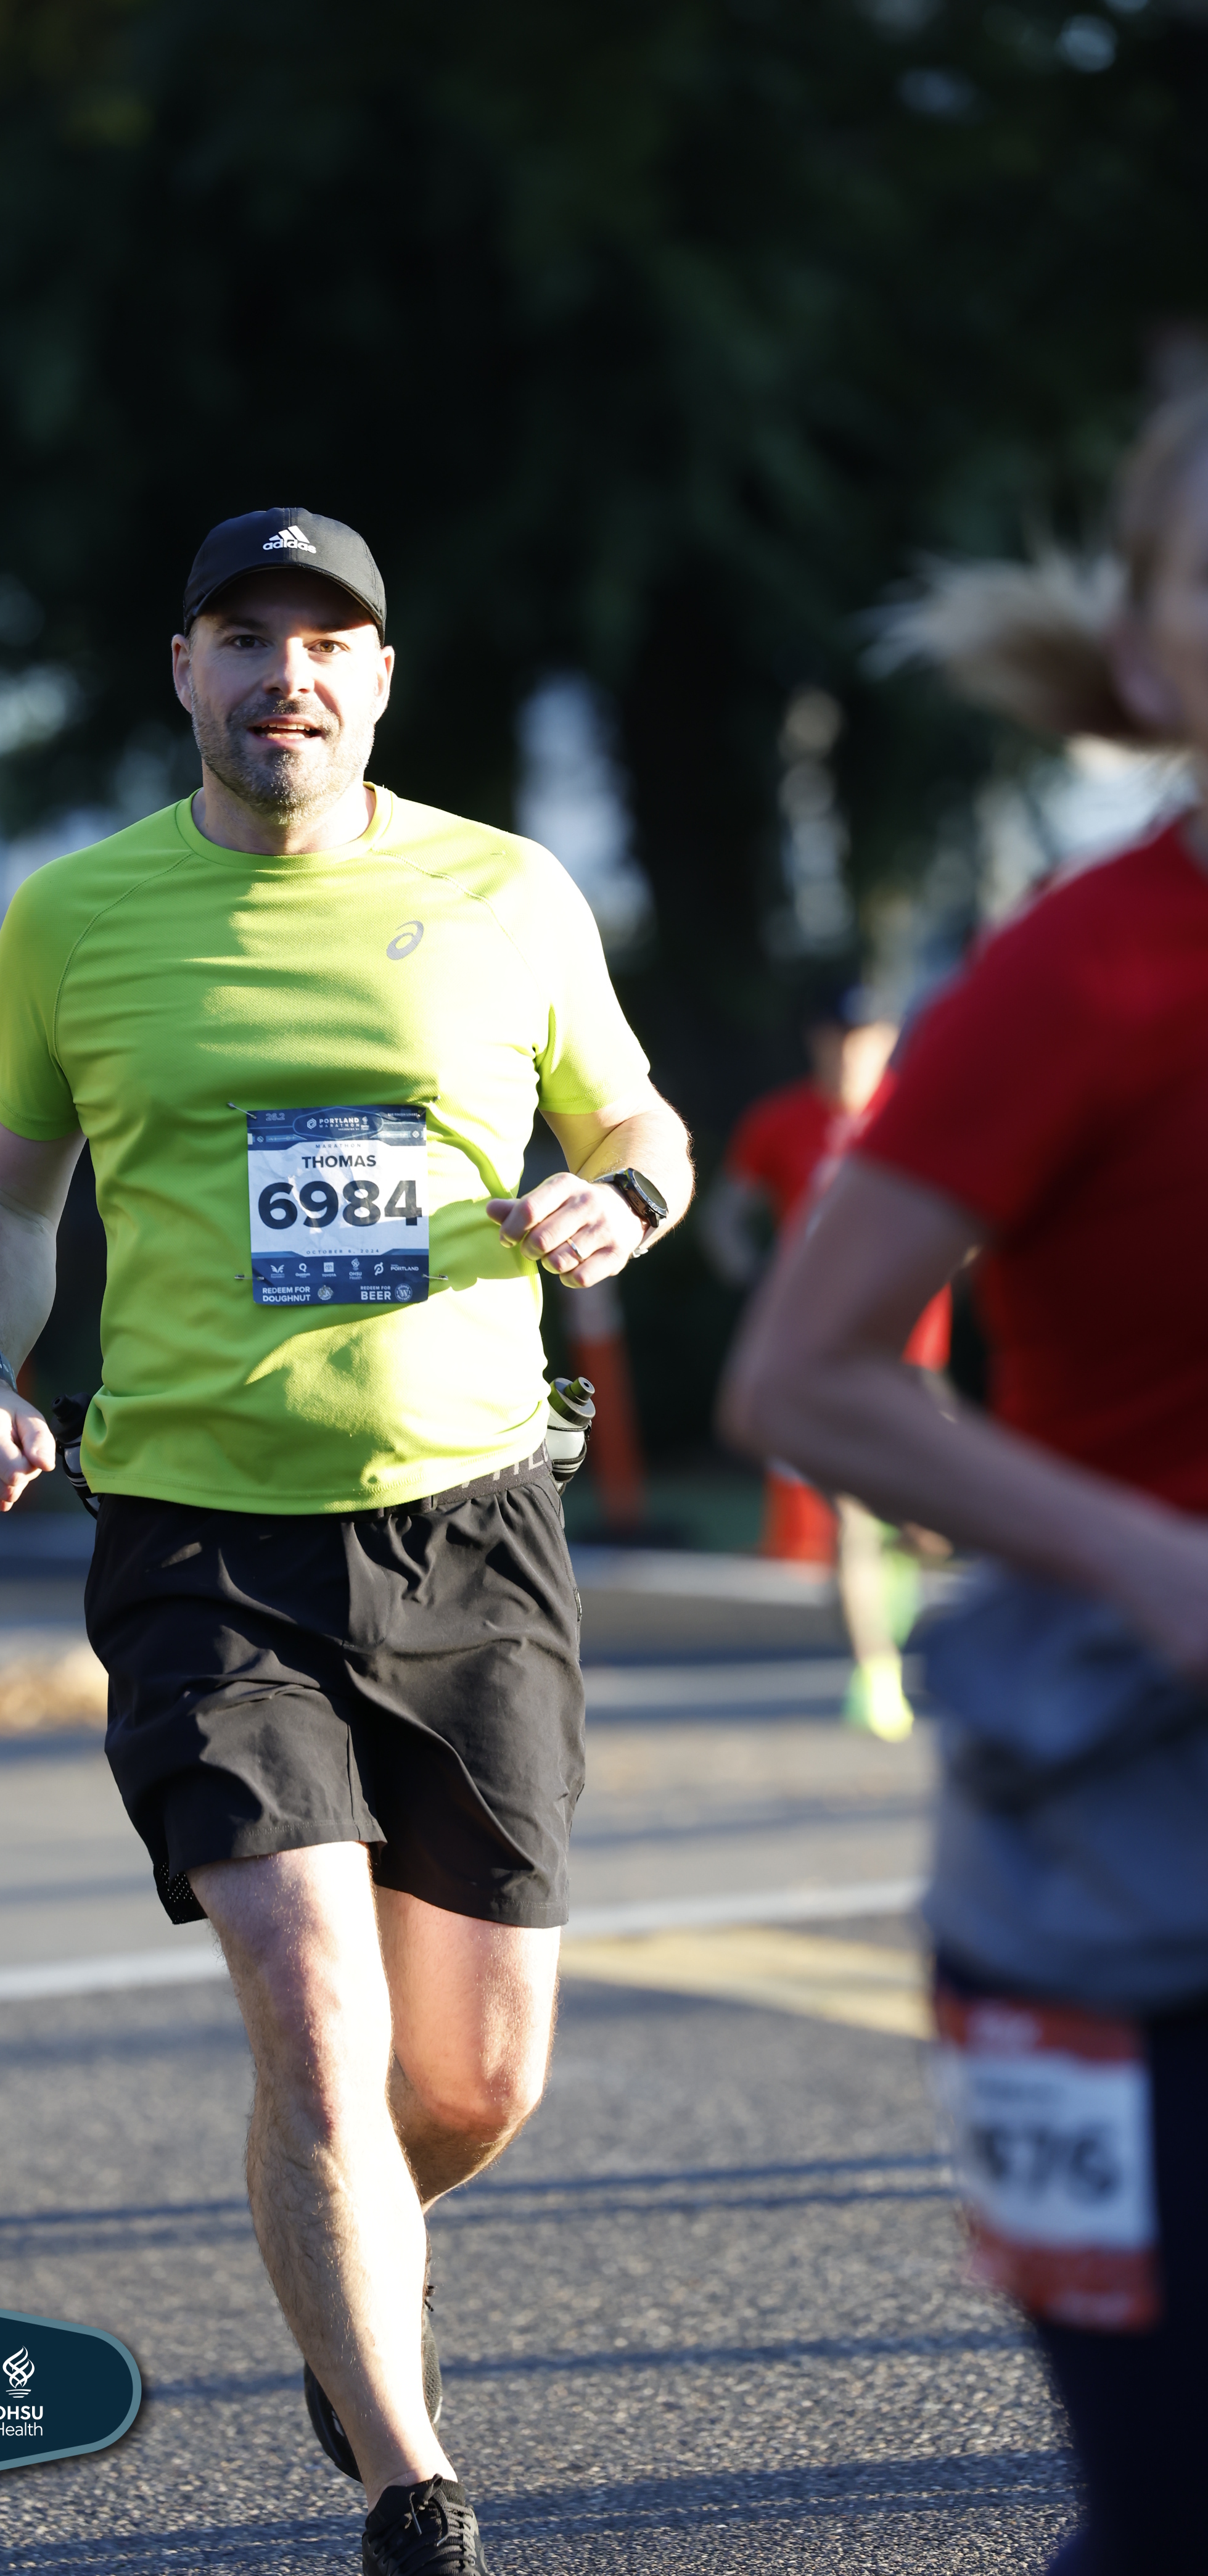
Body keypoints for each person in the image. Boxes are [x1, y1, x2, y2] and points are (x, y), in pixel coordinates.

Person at [0, 506, 693, 2574]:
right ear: (183, 669)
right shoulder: (76, 915)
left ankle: (331, 2252)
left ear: (377, 675)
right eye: (247, 637)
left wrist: (620, 1200)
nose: (290, 675)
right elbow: (0, 1192)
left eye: (328, 640)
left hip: (474, 1525)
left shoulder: (508, 890)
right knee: (316, 2026)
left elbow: (640, 1123)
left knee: (474, 2082)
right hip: (202, 1542)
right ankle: (407, 2483)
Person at [719, 389, 1208, 2576]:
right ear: (1147, 647)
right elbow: (801, 1375)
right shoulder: (1079, 971)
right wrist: (1152, 1559)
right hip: (1120, 1851)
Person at [701, 986, 951, 1739]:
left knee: (930, 1523)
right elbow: (725, 1215)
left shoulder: (921, 1110)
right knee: (847, 1513)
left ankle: (901, 1553)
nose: (851, 1052)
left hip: (913, 1355)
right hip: (821, 1354)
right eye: (839, 1037)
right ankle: (875, 1674)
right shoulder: (779, 1121)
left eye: (866, 1036)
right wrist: (757, 1274)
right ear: (816, 1043)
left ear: (889, 1039)